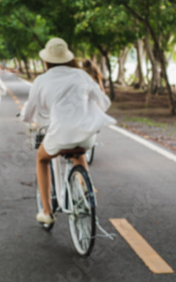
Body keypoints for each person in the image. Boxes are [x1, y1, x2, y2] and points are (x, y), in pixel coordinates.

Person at [23, 38, 116, 224]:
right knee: (78, 151)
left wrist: (29, 120)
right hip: (86, 137)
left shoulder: (41, 80)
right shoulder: (81, 75)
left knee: (42, 159)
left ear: (46, 60)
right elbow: (104, 102)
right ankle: (83, 187)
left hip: (60, 137)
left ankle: (48, 212)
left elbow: (30, 113)